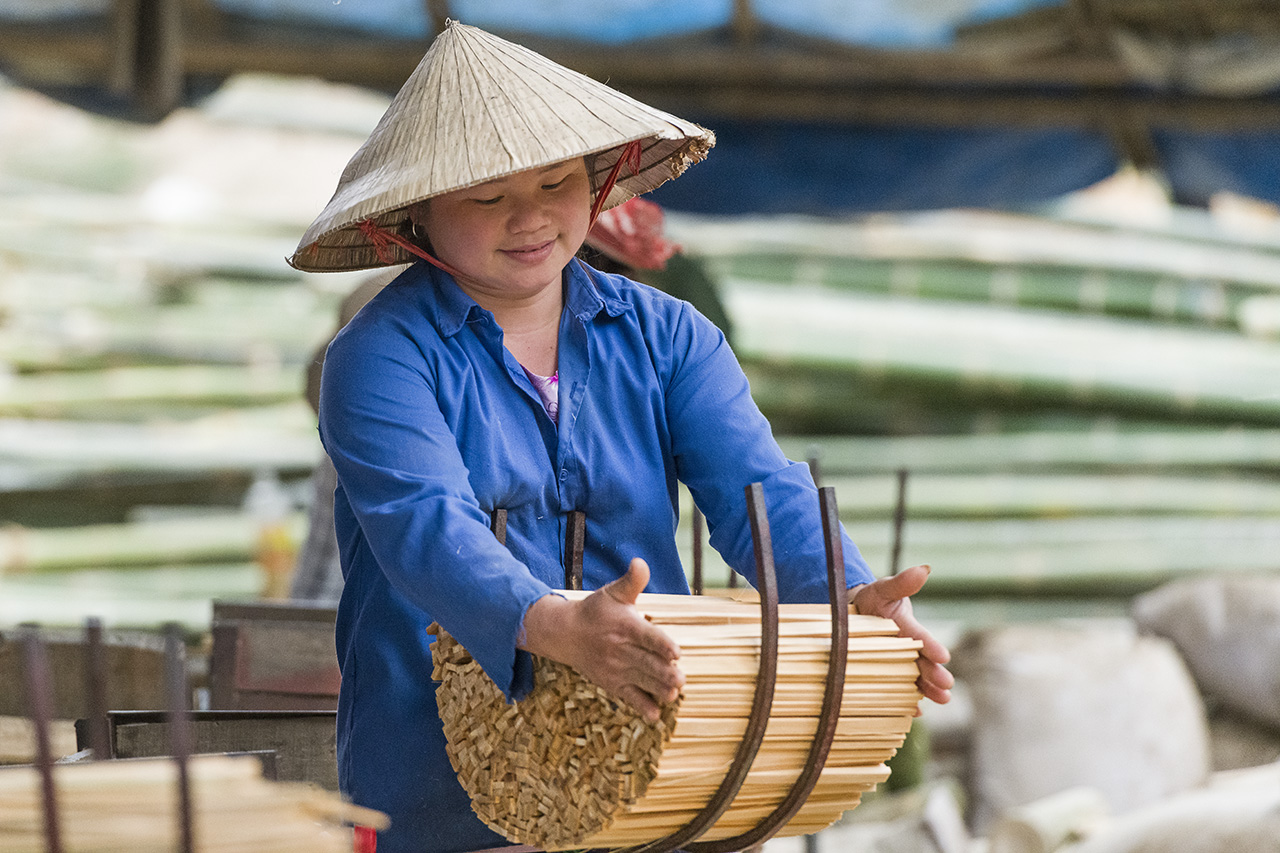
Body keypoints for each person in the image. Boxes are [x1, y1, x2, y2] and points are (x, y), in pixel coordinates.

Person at [289, 20, 951, 853]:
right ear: (415, 214)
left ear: (600, 184)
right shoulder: (379, 355)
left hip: (646, 766)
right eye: (488, 196)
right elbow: (426, 529)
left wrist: (852, 602)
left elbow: (761, 494)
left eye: (557, 183)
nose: (529, 219)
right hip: (436, 789)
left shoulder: (670, 336)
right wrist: (550, 622)